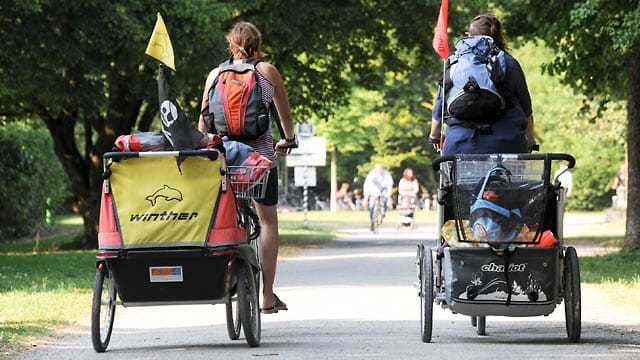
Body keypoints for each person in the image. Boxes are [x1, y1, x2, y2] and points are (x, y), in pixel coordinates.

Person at [199, 22, 296, 314]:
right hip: (259, 159)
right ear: (258, 43)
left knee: (222, 217)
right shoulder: (267, 71)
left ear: (231, 44)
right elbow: (285, 115)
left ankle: (224, 275)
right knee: (268, 222)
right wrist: (288, 139)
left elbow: (203, 122)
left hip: (225, 159)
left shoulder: (215, 75)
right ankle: (267, 295)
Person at [429, 13, 536, 155]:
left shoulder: (453, 63)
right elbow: (526, 107)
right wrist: (531, 141)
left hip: (459, 146)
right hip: (507, 145)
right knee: (512, 176)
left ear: (468, 35)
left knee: (454, 174)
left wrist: (434, 137)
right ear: (498, 37)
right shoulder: (508, 63)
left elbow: (439, 108)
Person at [363, 164, 394, 232]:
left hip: (383, 191)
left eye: (380, 170)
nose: (379, 171)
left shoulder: (386, 174)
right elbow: (367, 185)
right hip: (373, 191)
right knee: (372, 206)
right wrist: (366, 197)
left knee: (383, 207)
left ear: (383, 169)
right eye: (377, 170)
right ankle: (372, 222)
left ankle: (382, 215)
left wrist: (388, 194)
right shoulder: (371, 174)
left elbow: (389, 185)